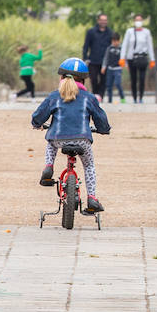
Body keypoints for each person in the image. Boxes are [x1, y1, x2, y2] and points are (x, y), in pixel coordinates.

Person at [31, 58, 111, 214]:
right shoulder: (89, 98)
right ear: (83, 81)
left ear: (61, 78)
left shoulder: (54, 96)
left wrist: (37, 124)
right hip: (82, 140)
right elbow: (101, 119)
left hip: (58, 139)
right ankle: (92, 198)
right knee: (88, 166)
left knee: (51, 142)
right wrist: (103, 129)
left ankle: (49, 167)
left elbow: (38, 116)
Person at [120, 14, 155, 103]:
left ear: (142, 21)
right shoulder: (130, 31)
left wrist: (152, 59)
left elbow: (150, 46)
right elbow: (125, 45)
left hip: (142, 58)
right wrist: (122, 58)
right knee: (133, 79)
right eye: (136, 20)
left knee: (142, 79)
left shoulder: (146, 32)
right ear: (134, 21)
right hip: (132, 58)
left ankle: (141, 97)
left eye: (140, 20)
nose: (138, 22)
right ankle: (135, 97)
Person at [82, 13, 113, 96]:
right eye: (102, 20)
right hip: (93, 61)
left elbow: (112, 47)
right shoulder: (91, 32)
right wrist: (85, 58)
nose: (103, 22)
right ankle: (95, 95)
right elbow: (86, 46)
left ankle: (100, 96)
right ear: (98, 20)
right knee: (94, 79)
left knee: (104, 80)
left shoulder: (110, 33)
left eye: (105, 20)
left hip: (105, 62)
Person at [103, 35, 125, 103]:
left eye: (116, 41)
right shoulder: (109, 48)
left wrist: (125, 64)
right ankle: (110, 100)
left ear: (118, 41)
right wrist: (104, 66)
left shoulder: (122, 48)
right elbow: (106, 58)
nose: (114, 43)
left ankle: (122, 97)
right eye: (113, 41)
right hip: (110, 68)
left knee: (117, 83)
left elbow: (124, 57)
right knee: (109, 85)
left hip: (118, 68)